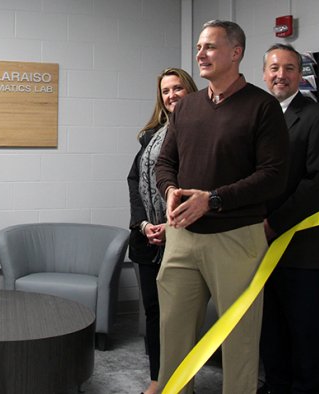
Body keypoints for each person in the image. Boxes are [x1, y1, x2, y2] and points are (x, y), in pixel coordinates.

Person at [154, 20, 289, 393]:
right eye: (199, 47)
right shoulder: (187, 107)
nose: (201, 54)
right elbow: (165, 163)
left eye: (210, 47)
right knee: (174, 337)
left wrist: (212, 200)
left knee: (239, 341)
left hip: (236, 240)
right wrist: (169, 191)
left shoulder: (263, 108)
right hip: (182, 238)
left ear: (236, 53)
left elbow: (273, 176)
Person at [258, 43, 319, 394]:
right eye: (275, 68)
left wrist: (273, 222)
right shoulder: (259, 117)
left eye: (289, 68)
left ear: (300, 74)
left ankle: (310, 388)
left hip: (298, 245)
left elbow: (317, 182)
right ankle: (276, 385)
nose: (281, 75)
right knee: (270, 324)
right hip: (257, 243)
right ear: (265, 73)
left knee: (303, 326)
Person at [127, 67, 197, 394]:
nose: (171, 95)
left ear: (190, 90)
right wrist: (144, 225)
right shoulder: (151, 136)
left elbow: (200, 183)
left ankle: (183, 380)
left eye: (177, 88)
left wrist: (172, 226)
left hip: (184, 237)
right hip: (147, 240)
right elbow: (134, 181)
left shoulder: (201, 130)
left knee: (180, 317)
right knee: (154, 313)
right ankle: (158, 379)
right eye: (166, 91)